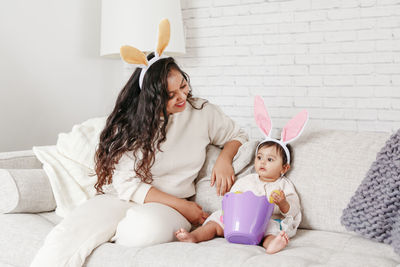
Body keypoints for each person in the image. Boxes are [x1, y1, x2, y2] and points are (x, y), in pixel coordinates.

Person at [30, 19, 248, 267]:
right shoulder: (132, 125)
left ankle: (114, 232)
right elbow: (127, 185)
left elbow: (238, 135)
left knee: (142, 230)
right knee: (67, 234)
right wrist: (186, 208)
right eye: (171, 95)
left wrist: (225, 158)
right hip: (126, 199)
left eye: (184, 86)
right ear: (152, 99)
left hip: (167, 210)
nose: (182, 97)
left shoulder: (202, 112)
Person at [175, 140, 301, 254]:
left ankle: (272, 244)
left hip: (265, 222)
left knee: (271, 230)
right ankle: (193, 237)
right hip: (239, 220)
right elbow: (232, 199)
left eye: (270, 160)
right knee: (215, 221)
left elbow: (293, 210)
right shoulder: (247, 181)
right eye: (259, 157)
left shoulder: (284, 185)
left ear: (284, 168)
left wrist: (283, 203)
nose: (262, 162)